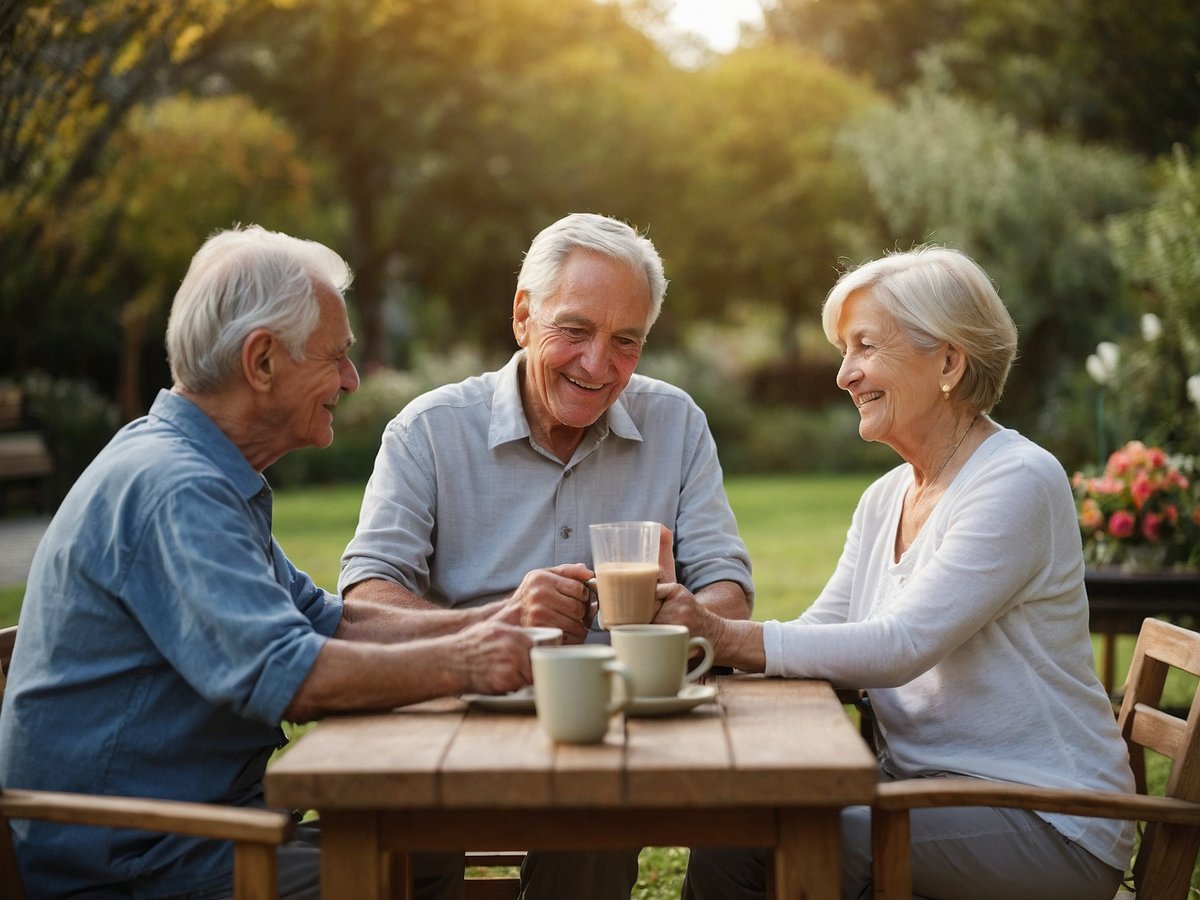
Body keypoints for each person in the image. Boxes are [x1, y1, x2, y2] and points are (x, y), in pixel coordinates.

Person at [0, 225, 533, 900]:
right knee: (392, 864)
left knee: (424, 842)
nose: (352, 378)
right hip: (138, 860)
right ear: (261, 363)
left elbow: (323, 621)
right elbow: (289, 676)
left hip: (198, 834)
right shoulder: (175, 487)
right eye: (336, 356)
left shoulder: (201, 469)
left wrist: (498, 622)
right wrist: (469, 662)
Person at [657, 245, 1135, 900]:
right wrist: (699, 642)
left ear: (947, 361)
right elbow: (824, 631)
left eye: (865, 348)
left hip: (1050, 820)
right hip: (930, 797)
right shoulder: (887, 496)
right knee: (738, 826)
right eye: (844, 351)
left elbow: (899, 647)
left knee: (794, 838)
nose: (844, 375)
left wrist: (725, 633)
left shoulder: (1017, 481)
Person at [338, 212, 754, 898]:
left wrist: (683, 615)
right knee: (406, 842)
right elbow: (364, 603)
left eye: (627, 341)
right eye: (576, 330)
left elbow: (729, 596)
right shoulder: (429, 431)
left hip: (611, 728)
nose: (599, 365)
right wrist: (501, 622)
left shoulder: (676, 423)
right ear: (523, 316)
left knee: (595, 822)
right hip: (458, 717)